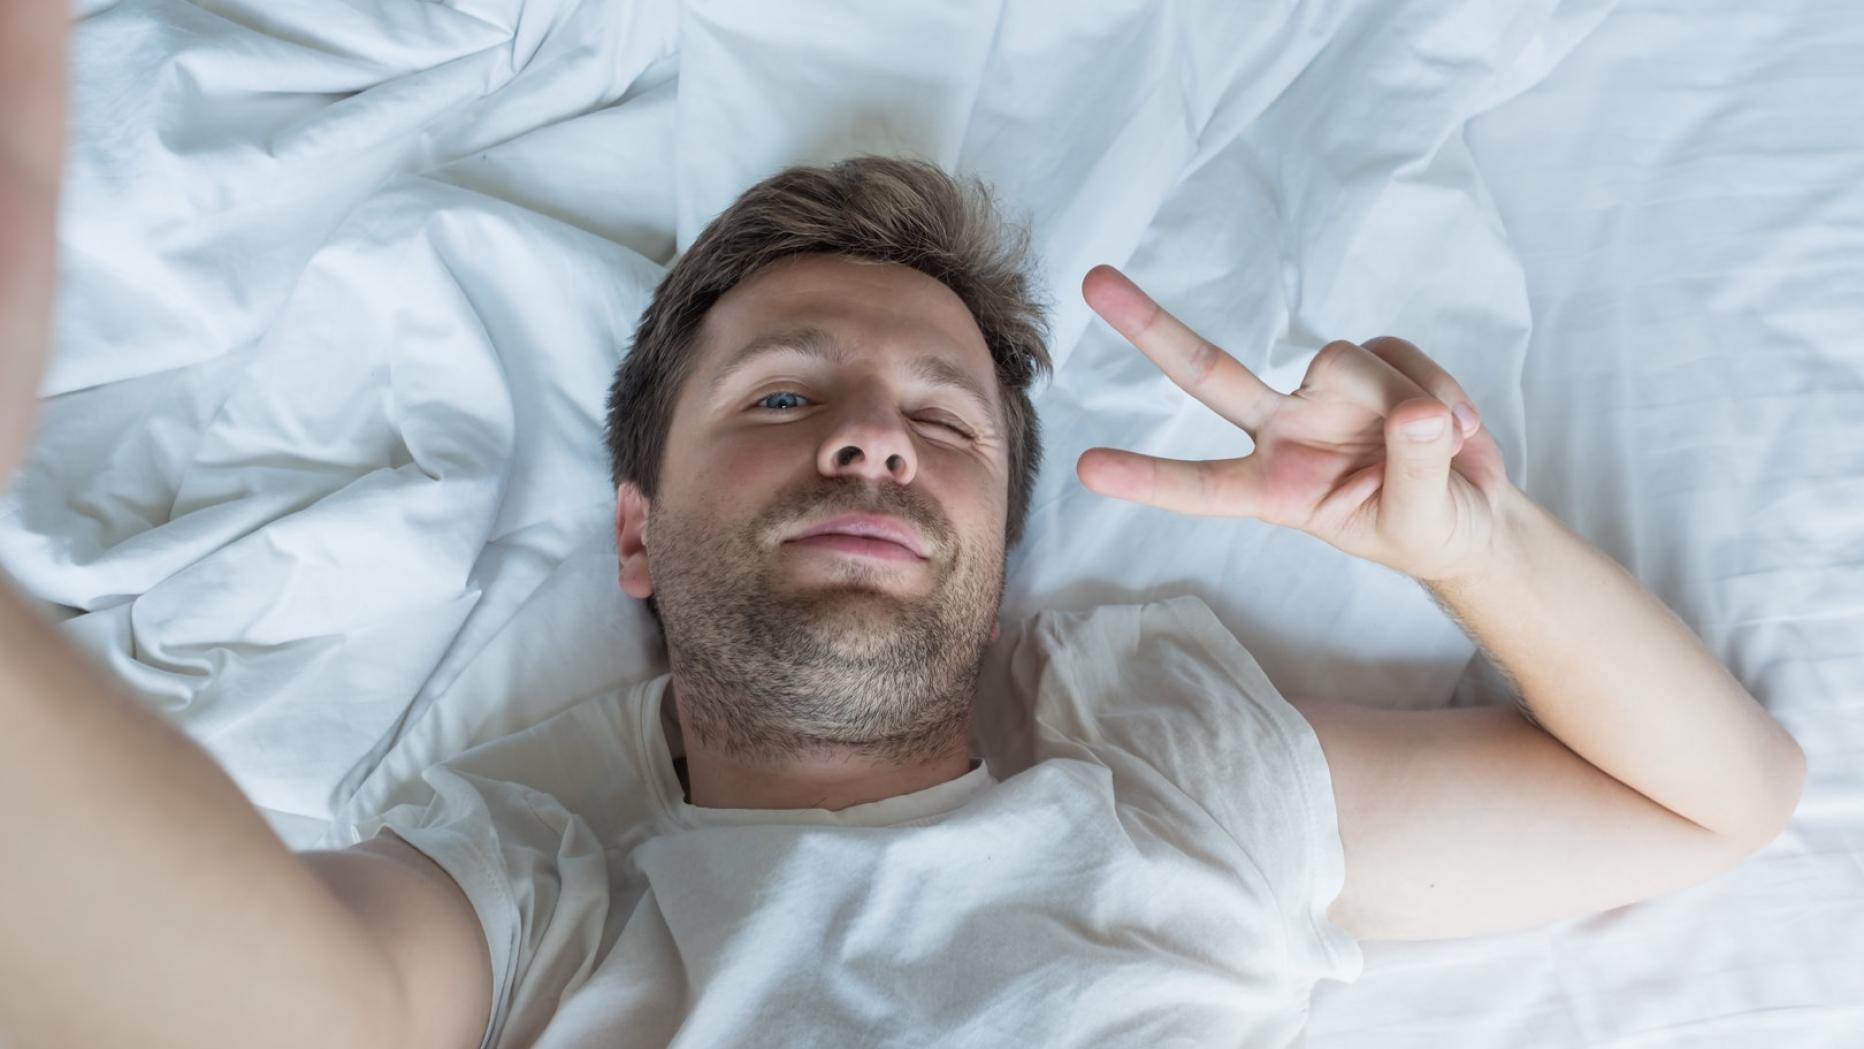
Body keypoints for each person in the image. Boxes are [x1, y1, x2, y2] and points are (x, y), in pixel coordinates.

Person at [1, 7, 1807, 1049]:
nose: (871, 438)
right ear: (634, 534)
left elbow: (1712, 799)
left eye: (944, 423)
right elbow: (270, 1007)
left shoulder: (1159, 766)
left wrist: (1473, 551)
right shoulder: (530, 868)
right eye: (783, 396)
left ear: (1002, 549)